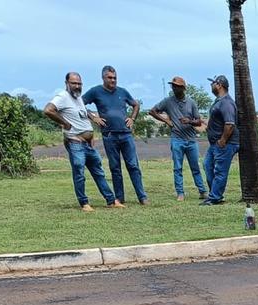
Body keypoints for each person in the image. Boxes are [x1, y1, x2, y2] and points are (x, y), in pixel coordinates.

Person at [44, 72, 117, 212]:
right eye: (74, 83)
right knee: (79, 173)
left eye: (79, 84)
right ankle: (84, 203)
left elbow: (83, 112)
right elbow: (48, 110)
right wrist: (65, 123)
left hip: (88, 144)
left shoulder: (78, 98)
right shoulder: (62, 97)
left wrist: (92, 120)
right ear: (66, 83)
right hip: (75, 143)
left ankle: (111, 201)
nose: (77, 86)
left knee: (99, 173)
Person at [83, 66, 148, 205]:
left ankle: (142, 197)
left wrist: (132, 118)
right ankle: (119, 197)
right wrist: (93, 117)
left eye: (115, 78)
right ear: (103, 78)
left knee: (133, 166)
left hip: (126, 134)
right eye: (110, 78)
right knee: (115, 168)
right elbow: (80, 104)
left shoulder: (123, 92)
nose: (113, 80)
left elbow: (135, 105)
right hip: (109, 135)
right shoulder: (95, 91)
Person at [149, 77, 207, 201]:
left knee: (195, 167)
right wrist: (166, 121)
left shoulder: (191, 102)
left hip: (191, 139)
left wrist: (189, 121)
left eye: (177, 86)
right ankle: (180, 192)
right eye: (173, 86)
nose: (174, 88)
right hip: (177, 139)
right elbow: (152, 111)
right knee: (177, 167)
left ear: (183, 88)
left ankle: (202, 191)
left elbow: (199, 122)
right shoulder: (168, 101)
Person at [201, 75, 239, 206]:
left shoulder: (226, 102)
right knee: (207, 165)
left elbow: (230, 124)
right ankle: (215, 194)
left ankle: (215, 197)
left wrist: (223, 140)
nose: (211, 86)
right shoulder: (219, 101)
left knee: (220, 171)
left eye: (213, 83)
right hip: (215, 144)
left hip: (225, 144)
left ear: (219, 85)